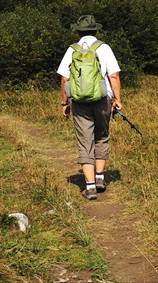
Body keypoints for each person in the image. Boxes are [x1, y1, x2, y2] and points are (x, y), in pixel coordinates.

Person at [57, 15, 122, 200]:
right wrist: (117, 99)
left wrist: (64, 102)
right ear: (95, 30)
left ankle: (90, 186)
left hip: (79, 101)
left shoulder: (72, 50)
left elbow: (64, 78)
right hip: (102, 99)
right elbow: (114, 76)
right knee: (102, 136)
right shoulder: (104, 48)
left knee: (85, 141)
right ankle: (100, 178)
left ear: (78, 31)